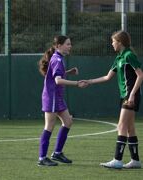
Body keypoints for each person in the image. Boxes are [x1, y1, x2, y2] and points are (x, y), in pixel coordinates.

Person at [81, 30, 143, 169]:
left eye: (113, 41)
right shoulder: (119, 58)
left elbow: (140, 75)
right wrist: (89, 81)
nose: (112, 44)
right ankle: (136, 161)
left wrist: (132, 94)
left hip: (130, 96)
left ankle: (117, 160)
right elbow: (107, 77)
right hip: (125, 96)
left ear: (120, 42)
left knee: (121, 126)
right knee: (130, 128)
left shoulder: (128, 55)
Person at [37, 35, 85, 166]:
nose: (70, 46)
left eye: (70, 44)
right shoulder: (57, 59)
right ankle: (42, 158)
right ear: (58, 46)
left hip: (57, 97)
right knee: (49, 126)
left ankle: (57, 153)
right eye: (68, 44)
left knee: (68, 121)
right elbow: (57, 81)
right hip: (51, 97)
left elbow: (54, 75)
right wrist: (77, 83)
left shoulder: (58, 58)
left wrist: (68, 72)